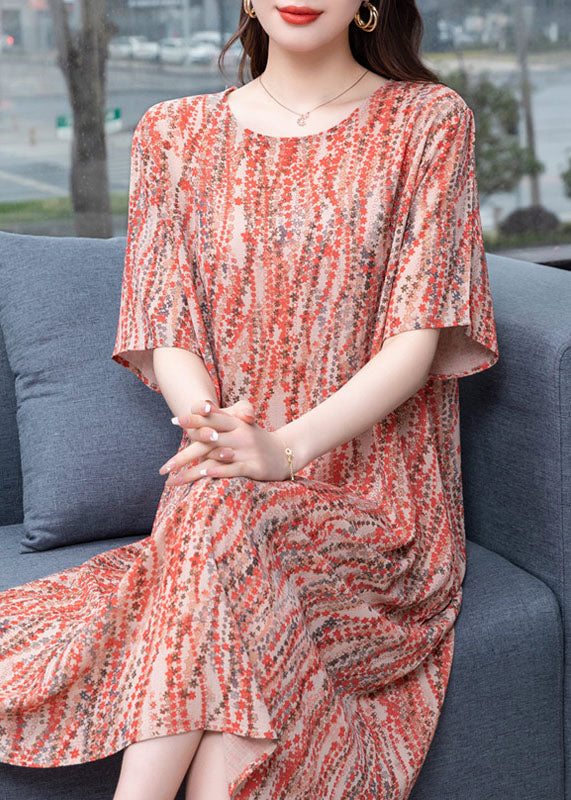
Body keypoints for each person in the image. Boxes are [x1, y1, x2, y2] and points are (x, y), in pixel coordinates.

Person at [0, 1, 499, 798]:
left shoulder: (426, 120)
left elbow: (416, 338)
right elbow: (166, 322)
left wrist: (283, 450)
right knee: (220, 520)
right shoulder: (173, 132)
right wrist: (214, 429)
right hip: (223, 482)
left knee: (216, 520)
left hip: (377, 511)